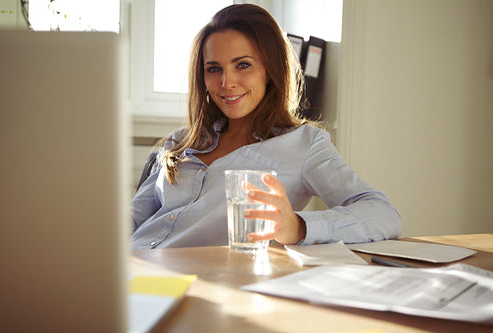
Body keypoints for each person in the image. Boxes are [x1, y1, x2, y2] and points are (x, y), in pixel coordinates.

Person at [130, 4, 401, 249]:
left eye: (243, 65)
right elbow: (132, 219)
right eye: (213, 69)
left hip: (201, 284)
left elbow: (383, 215)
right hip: (127, 271)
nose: (227, 82)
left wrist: (298, 226)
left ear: (270, 69)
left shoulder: (305, 144)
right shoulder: (181, 141)